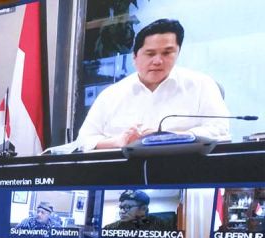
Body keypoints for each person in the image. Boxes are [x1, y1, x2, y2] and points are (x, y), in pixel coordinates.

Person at [77, 19, 230, 151]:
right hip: (124, 175)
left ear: (178, 52)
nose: (158, 61)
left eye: (167, 53)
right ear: (134, 57)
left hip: (188, 171)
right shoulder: (111, 95)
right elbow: (84, 140)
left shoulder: (202, 85)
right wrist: (119, 141)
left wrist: (169, 138)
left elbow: (220, 130)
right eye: (150, 54)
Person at [103, 190, 176, 231]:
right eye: (121, 208)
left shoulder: (162, 225)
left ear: (143, 209)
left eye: (127, 207)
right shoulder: (110, 228)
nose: (121, 211)